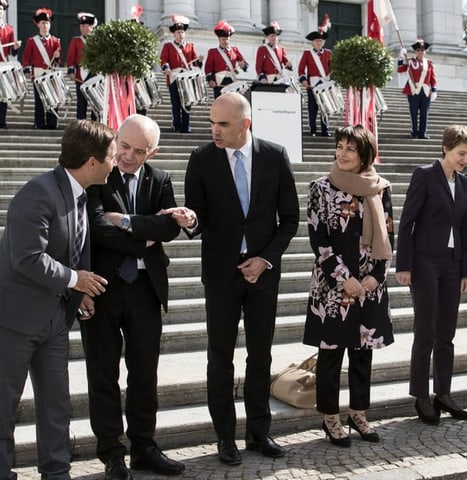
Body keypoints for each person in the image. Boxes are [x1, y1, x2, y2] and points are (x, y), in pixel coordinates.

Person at [183, 92, 299, 465]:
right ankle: (224, 438)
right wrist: (189, 221)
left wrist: (264, 259)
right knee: (220, 358)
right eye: (212, 123)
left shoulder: (274, 156)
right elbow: (197, 218)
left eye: (223, 125)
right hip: (221, 274)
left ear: (245, 124)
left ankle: (259, 432)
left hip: (262, 275)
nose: (214, 131)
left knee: (260, 355)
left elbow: (291, 220)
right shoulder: (200, 160)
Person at [0, 120, 114, 480]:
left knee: (56, 406)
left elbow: (73, 246)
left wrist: (79, 292)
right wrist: (74, 279)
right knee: (3, 407)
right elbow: (28, 257)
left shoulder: (80, 194)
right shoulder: (38, 192)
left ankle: (56, 473)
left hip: (56, 319)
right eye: (111, 156)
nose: (115, 162)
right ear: (92, 161)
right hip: (14, 320)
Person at [82, 114, 192, 480]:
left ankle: (144, 447)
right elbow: (96, 227)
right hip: (102, 288)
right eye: (123, 146)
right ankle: (112, 453)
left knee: (145, 374)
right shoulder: (98, 171)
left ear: (153, 151)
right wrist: (146, 231)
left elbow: (169, 228)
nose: (127, 156)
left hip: (147, 290)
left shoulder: (160, 179)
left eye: (138, 150)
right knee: (103, 374)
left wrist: (126, 221)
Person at [303, 125, 394, 447]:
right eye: (339, 146)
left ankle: (358, 413)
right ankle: (330, 418)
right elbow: (320, 242)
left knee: (362, 355)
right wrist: (346, 280)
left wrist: (375, 277)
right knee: (330, 356)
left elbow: (388, 237)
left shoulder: (380, 189)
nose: (342, 153)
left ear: (365, 154)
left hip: (369, 287)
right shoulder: (320, 189)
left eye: (350, 149)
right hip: (333, 289)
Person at [395, 125, 467, 425]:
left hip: (453, 265)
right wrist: (403, 265)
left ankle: (444, 393)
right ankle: (420, 395)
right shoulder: (425, 175)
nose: (465, 160)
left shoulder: (466, 183)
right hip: (425, 262)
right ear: (445, 148)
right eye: (461, 153)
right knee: (426, 330)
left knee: (447, 333)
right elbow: (407, 223)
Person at [160, 14, 203, 133]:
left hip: (187, 79)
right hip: (174, 78)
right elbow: (163, 60)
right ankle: (176, 125)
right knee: (176, 103)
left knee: (187, 103)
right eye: (178, 32)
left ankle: (185, 126)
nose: (180, 34)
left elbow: (195, 64)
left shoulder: (190, 46)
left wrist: (199, 60)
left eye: (182, 32)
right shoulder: (168, 46)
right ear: (174, 34)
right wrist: (166, 68)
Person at [21, 7, 61, 130]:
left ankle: (52, 123)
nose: (45, 25)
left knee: (52, 99)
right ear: (38, 24)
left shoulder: (56, 41)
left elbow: (58, 61)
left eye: (47, 23)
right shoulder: (32, 41)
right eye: (43, 23)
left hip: (50, 73)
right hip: (37, 73)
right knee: (39, 101)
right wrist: (27, 70)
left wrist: (58, 57)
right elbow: (26, 58)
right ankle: (39, 123)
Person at [397, 39, 437, 139]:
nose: (420, 52)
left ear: (425, 51)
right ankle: (414, 132)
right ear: (416, 51)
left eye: (422, 50)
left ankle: (422, 133)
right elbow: (400, 69)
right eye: (418, 50)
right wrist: (401, 56)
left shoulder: (429, 63)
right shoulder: (410, 61)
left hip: (425, 90)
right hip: (413, 90)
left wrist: (434, 90)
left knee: (424, 113)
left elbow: (432, 77)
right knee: (413, 112)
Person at [298, 21, 331, 137]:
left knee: (325, 108)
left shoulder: (328, 53)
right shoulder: (307, 54)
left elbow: (333, 69)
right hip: (312, 85)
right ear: (312, 42)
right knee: (313, 109)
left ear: (323, 42)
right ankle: (312, 130)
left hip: (325, 85)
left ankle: (325, 130)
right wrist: (303, 81)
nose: (319, 42)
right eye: (317, 40)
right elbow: (301, 70)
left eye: (320, 40)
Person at [205, 20, 248, 98]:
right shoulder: (212, 52)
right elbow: (208, 69)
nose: (225, 41)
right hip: (218, 82)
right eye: (223, 39)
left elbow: (244, 64)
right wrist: (210, 80)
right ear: (219, 39)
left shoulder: (235, 50)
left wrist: (243, 65)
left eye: (227, 39)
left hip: (231, 81)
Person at [66, 12, 98, 120]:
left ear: (91, 27)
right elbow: (70, 57)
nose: (83, 28)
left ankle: (95, 126)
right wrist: (71, 71)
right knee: (81, 103)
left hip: (95, 74)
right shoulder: (76, 40)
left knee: (95, 102)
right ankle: (80, 126)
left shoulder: (97, 41)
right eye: (81, 26)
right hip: (80, 75)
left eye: (85, 26)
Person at [0, 0, 21, 129]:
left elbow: (12, 53)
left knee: (3, 96)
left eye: (1, 10)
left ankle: (2, 121)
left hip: (3, 65)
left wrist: (16, 47)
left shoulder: (9, 30)